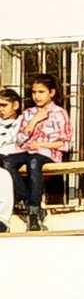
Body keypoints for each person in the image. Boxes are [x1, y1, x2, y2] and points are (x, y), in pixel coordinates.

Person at [9, 75, 70, 231]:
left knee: (34, 162)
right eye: (34, 92)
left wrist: (42, 144)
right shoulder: (28, 113)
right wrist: (34, 121)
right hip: (27, 150)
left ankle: (34, 212)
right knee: (8, 163)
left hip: (47, 153)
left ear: (51, 92)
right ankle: (30, 200)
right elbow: (20, 139)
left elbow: (65, 143)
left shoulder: (59, 113)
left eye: (41, 92)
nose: (37, 96)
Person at [0, 90, 19, 230]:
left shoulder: (22, 122)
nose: (0, 109)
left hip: (11, 156)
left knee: (5, 177)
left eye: (4, 105)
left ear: (15, 105)